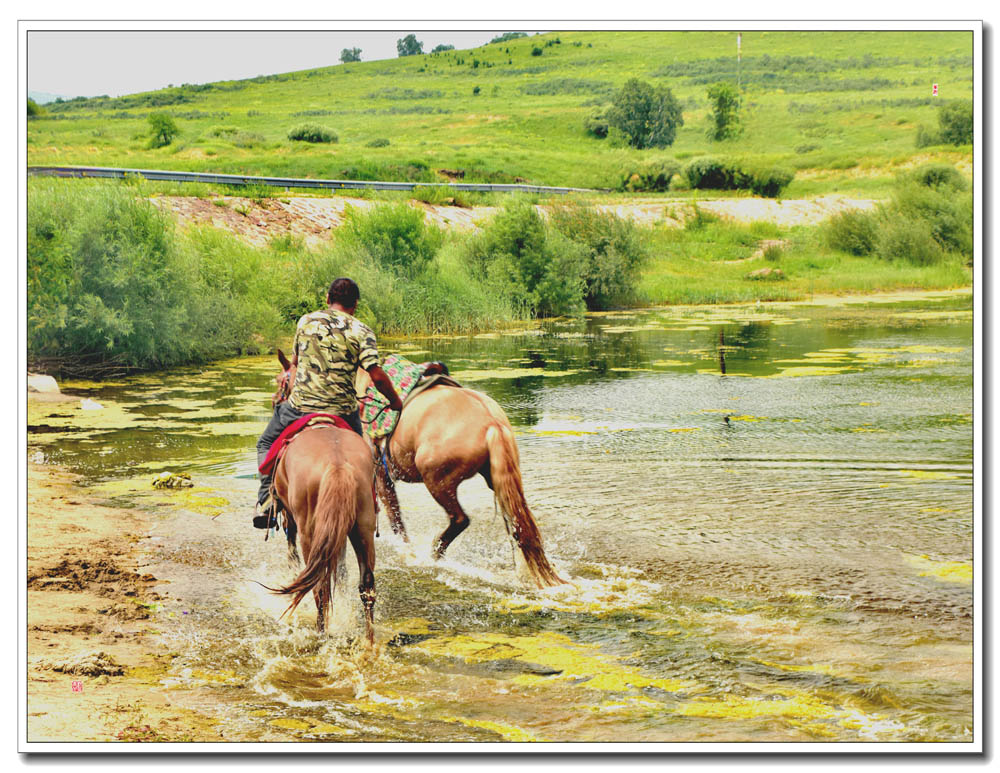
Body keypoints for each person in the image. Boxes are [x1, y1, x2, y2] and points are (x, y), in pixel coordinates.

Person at [254, 277, 403, 528]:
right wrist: (396, 402)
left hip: (299, 409)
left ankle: (268, 499)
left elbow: (295, 362)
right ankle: (369, 501)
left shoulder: (306, 321)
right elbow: (376, 375)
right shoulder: (362, 330)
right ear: (355, 305)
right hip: (344, 412)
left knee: (266, 442)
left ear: (327, 299)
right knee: (365, 454)